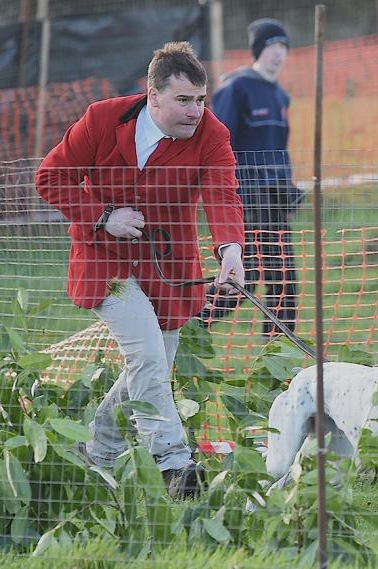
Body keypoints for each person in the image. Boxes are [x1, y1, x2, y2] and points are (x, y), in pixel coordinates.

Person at [35, 41, 245, 499]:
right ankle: (175, 464)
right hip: (104, 263)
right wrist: (104, 215)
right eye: (184, 100)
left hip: (169, 268)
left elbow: (223, 195)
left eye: (201, 99)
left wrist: (230, 250)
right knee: (147, 358)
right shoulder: (102, 119)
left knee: (148, 369)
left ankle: (100, 453)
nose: (196, 111)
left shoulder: (213, 135)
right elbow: (49, 177)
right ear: (153, 96)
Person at [197, 18, 303, 337]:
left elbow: (277, 148)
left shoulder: (279, 95)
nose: (278, 53)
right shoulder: (236, 88)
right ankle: (185, 324)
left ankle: (277, 360)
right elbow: (218, 142)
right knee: (247, 276)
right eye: (271, 45)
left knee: (284, 280)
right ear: (258, 50)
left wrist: (288, 184)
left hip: (274, 196)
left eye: (283, 46)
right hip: (245, 196)